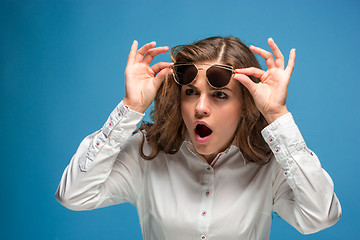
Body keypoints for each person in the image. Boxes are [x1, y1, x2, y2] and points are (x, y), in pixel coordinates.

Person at [55, 36, 341, 240]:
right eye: (191, 92)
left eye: (219, 95)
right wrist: (131, 107)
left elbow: (320, 217)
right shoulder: (147, 155)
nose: (200, 107)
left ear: (245, 106)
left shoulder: (271, 166)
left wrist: (277, 114)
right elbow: (73, 195)